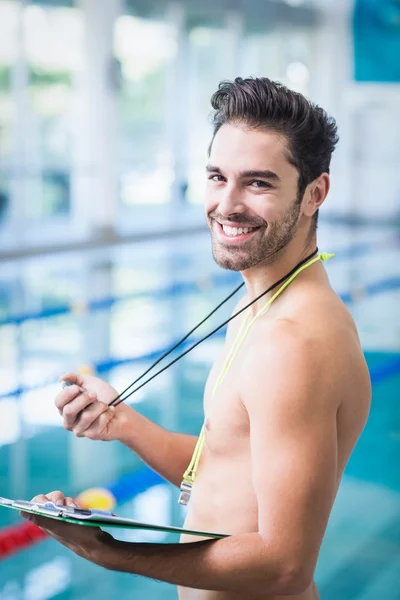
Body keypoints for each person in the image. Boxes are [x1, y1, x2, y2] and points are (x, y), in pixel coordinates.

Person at [23, 77, 371, 600]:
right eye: (217, 177)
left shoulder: (293, 342)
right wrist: (125, 424)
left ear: (313, 194)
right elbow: (223, 471)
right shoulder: (260, 300)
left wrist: (109, 553)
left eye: (258, 183)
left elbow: (285, 566)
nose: (226, 205)